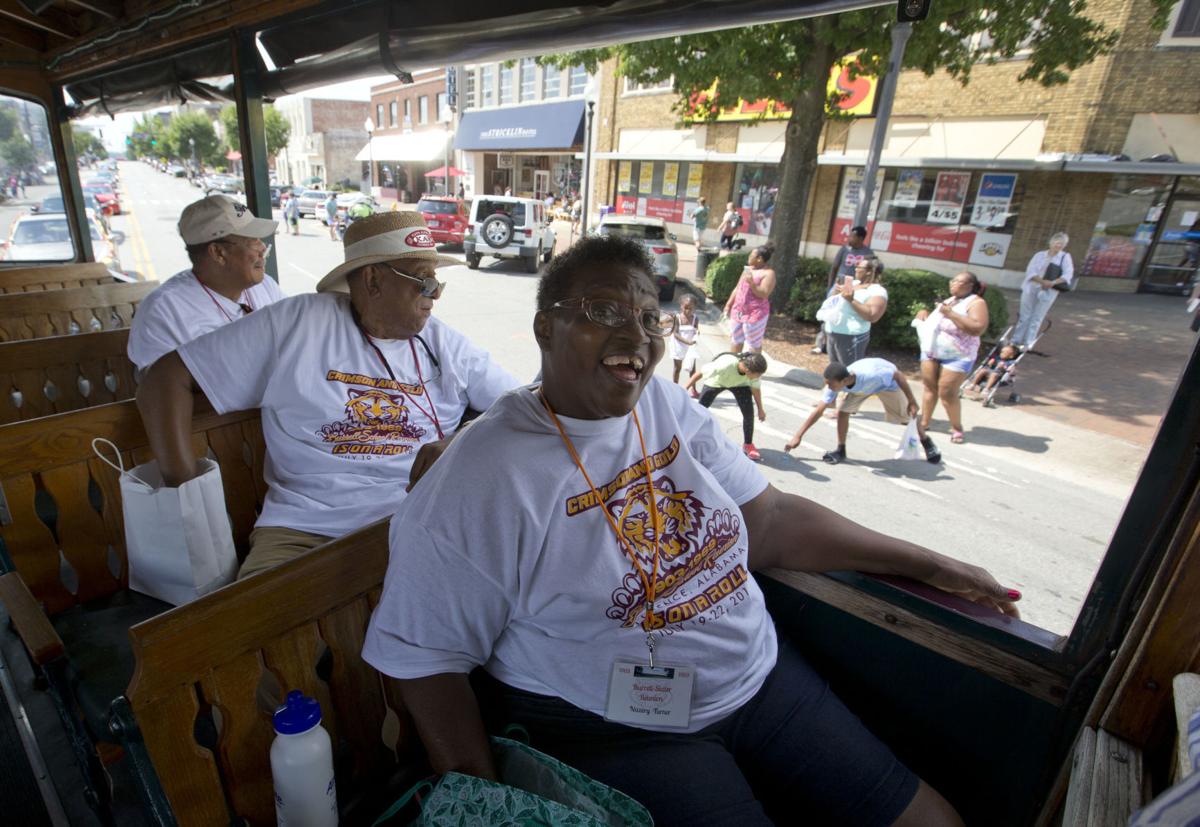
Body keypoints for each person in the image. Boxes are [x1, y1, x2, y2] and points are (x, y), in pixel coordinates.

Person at [361, 234, 1019, 827]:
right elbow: (426, 660)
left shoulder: (661, 401)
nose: (637, 335)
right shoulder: (481, 477)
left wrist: (925, 562)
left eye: (649, 317)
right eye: (604, 312)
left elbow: (772, 519)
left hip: (758, 674)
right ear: (546, 327)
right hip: (613, 726)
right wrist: (489, 805)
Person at [135, 211, 520, 579]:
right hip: (304, 528)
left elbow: (527, 403)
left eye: (436, 282)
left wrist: (459, 441)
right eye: (422, 280)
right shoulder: (296, 323)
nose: (434, 295)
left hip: (425, 517)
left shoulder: (444, 343)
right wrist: (186, 494)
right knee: (250, 633)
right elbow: (163, 379)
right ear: (372, 281)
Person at [127, 194, 286, 373]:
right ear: (218, 252)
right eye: (252, 241)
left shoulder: (266, 287)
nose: (262, 248)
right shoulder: (163, 310)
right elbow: (158, 387)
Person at [785, 359, 941, 465]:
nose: (830, 388)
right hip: (861, 390)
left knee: (908, 415)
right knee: (843, 412)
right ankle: (841, 449)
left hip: (887, 385)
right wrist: (798, 436)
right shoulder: (838, 383)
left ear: (845, 381)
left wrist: (912, 401)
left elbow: (898, 375)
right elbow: (819, 410)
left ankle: (926, 441)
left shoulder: (873, 375)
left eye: (832, 385)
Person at [913, 271, 990, 445]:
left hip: (958, 355)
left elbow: (977, 328)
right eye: (952, 280)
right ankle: (924, 422)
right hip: (932, 351)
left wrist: (951, 314)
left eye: (958, 281)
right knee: (929, 387)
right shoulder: (950, 300)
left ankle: (956, 428)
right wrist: (924, 314)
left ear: (970, 286)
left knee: (947, 392)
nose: (952, 284)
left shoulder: (976, 303)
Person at [685, 351, 768, 461]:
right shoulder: (725, 365)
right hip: (717, 382)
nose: (759, 377)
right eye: (758, 374)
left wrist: (760, 409)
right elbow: (699, 373)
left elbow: (755, 389)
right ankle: (685, 437)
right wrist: (683, 389)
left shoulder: (752, 375)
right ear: (748, 370)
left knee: (749, 414)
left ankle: (748, 444)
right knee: (700, 411)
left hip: (740, 385)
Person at [814, 225, 874, 354]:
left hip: (854, 289)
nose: (849, 238)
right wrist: (830, 286)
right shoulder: (844, 249)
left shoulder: (868, 253)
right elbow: (834, 267)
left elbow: (872, 270)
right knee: (828, 313)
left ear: (861, 238)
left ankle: (839, 343)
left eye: (853, 236)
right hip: (837, 287)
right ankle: (821, 343)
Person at [1013, 232, 1073, 348]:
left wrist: (1052, 283)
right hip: (1032, 287)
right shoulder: (1039, 255)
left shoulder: (1065, 257)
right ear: (1051, 242)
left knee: (1037, 316)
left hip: (1049, 290)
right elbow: (1030, 271)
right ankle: (1016, 339)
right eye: (1057, 242)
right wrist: (1042, 281)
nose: (1058, 246)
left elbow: (1068, 274)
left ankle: (1028, 342)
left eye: (1062, 244)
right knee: (1025, 314)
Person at [825, 256, 887, 366]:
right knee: (835, 369)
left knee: (849, 372)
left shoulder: (877, 291)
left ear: (869, 272)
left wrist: (851, 299)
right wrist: (836, 291)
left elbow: (872, 316)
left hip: (851, 337)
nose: (855, 269)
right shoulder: (854, 283)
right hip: (833, 332)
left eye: (859, 266)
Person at [722, 243, 776, 354]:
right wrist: (728, 304)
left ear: (759, 259)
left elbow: (764, 294)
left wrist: (752, 283)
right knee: (736, 340)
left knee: (753, 344)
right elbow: (737, 288)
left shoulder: (768, 274)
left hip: (755, 314)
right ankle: (733, 364)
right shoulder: (748, 269)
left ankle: (754, 369)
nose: (749, 257)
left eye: (751, 255)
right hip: (739, 311)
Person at [670, 293, 700, 386]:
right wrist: (688, 342)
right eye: (685, 307)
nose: (687, 310)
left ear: (694, 308)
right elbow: (675, 333)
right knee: (677, 368)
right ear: (681, 306)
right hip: (678, 346)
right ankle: (675, 387)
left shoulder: (695, 319)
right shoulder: (677, 318)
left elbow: (696, 330)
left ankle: (693, 389)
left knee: (692, 368)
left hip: (690, 348)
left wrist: (697, 334)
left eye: (690, 308)